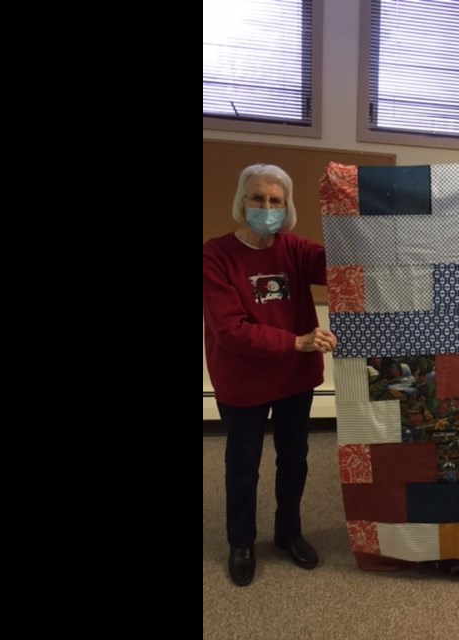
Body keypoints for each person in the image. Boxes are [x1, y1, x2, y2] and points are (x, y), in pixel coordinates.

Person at [203, 163, 338, 587]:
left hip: (293, 382)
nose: (266, 207)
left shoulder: (296, 250)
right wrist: (296, 342)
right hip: (242, 383)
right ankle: (241, 542)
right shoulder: (215, 255)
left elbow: (354, 257)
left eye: (275, 200)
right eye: (257, 198)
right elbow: (230, 330)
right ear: (242, 202)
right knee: (243, 466)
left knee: (294, 461)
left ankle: (288, 533)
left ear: (287, 206)